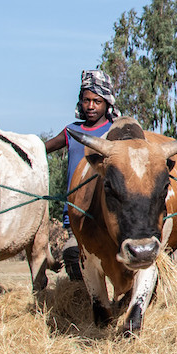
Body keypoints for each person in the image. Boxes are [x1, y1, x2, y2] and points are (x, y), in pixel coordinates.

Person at [44, 69, 121, 277]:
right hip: (77, 216)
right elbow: (41, 150)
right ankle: (81, 303)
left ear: (107, 102)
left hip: (107, 216)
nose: (91, 106)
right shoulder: (71, 132)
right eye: (86, 100)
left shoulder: (116, 133)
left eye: (97, 101)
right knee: (73, 256)